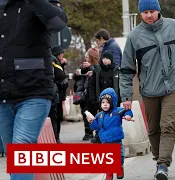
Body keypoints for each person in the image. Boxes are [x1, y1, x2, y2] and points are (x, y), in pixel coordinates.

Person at [119, 0, 175, 179]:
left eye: (152, 11)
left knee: (167, 125)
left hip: (173, 85)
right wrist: (126, 95)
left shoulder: (173, 26)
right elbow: (126, 69)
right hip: (149, 89)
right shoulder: (135, 36)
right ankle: (160, 160)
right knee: (153, 129)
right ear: (140, 14)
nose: (149, 15)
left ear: (158, 10)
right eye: (145, 12)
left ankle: (163, 164)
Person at [0, 0, 67, 179]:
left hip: (34, 91)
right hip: (3, 94)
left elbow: (59, 22)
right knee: (13, 154)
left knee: (21, 148)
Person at [86, 88, 133, 180]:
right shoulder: (99, 116)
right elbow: (96, 127)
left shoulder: (118, 111)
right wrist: (91, 122)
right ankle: (109, 174)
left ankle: (119, 168)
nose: (105, 104)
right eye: (103, 102)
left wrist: (128, 116)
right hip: (105, 141)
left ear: (112, 103)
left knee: (119, 156)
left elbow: (127, 111)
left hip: (116, 140)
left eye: (107, 102)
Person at [74, 48, 100, 141]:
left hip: (92, 94)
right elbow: (75, 77)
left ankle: (95, 132)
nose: (86, 59)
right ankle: (88, 132)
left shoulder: (96, 66)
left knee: (93, 113)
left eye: (88, 57)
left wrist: (90, 67)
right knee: (85, 112)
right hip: (83, 93)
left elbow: (97, 73)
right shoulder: (82, 66)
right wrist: (77, 73)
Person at [50, 45, 69, 143]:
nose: (63, 56)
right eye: (62, 54)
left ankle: (55, 138)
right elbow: (61, 78)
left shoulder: (53, 60)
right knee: (56, 118)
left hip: (55, 94)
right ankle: (55, 138)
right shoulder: (54, 61)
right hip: (55, 94)